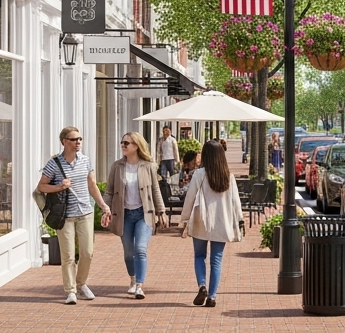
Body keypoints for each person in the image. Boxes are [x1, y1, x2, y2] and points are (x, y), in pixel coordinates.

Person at [37, 127, 112, 304]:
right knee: (68, 255)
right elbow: (41, 187)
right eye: (73, 139)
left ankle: (81, 283)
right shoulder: (53, 164)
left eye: (80, 139)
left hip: (85, 212)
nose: (78, 142)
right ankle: (70, 290)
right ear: (64, 141)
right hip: (65, 216)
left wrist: (102, 205)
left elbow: (92, 184)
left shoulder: (85, 161)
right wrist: (59, 186)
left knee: (87, 252)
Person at [181, 139, 244, 307]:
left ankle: (202, 286)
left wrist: (184, 219)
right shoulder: (228, 176)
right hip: (221, 222)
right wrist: (239, 219)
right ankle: (213, 296)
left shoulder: (199, 174)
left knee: (199, 256)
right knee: (216, 259)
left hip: (202, 220)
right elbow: (235, 202)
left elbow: (190, 198)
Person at [105, 132, 167, 299]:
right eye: (122, 142)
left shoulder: (148, 166)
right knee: (128, 252)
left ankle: (140, 285)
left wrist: (161, 211)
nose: (123, 145)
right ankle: (132, 279)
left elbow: (155, 189)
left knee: (140, 249)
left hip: (143, 214)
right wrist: (106, 209)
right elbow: (109, 191)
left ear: (137, 146)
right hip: (124, 215)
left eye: (127, 143)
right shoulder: (117, 166)